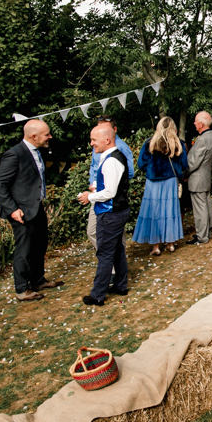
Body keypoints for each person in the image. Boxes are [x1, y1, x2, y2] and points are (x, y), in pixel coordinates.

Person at [0, 119, 62, 302]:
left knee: (40, 244)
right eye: (47, 134)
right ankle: (22, 289)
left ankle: (38, 280)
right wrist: (13, 209)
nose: (50, 137)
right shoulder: (14, 154)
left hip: (35, 206)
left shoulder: (36, 151)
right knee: (24, 249)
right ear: (33, 136)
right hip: (20, 211)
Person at [77, 124, 131, 306]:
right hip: (116, 211)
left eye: (94, 139)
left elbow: (110, 192)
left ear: (107, 140)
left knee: (105, 253)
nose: (91, 143)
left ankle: (98, 294)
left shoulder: (111, 161)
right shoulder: (110, 157)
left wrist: (89, 196)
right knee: (116, 251)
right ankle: (120, 285)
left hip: (111, 213)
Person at [133, 116, 188, 255]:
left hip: (153, 182)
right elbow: (184, 164)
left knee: (154, 212)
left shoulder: (149, 143)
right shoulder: (178, 143)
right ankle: (170, 244)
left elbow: (141, 164)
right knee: (170, 211)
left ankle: (156, 246)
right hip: (170, 180)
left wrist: (151, 169)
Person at [87, 115, 135, 250]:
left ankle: (114, 263)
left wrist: (108, 183)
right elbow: (93, 166)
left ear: (113, 130)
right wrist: (93, 183)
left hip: (112, 198)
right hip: (97, 194)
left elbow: (128, 172)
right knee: (92, 231)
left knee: (116, 234)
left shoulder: (121, 148)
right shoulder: (97, 144)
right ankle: (109, 260)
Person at [185, 111, 212, 245]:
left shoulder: (203, 140)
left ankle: (202, 236)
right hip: (205, 176)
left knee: (200, 208)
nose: (194, 123)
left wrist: (184, 174)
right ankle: (207, 231)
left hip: (197, 177)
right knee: (206, 204)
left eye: (195, 121)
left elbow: (193, 162)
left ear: (201, 123)